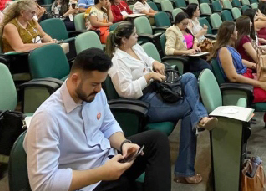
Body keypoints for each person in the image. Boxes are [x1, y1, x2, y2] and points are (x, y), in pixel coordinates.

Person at [25, 46, 171, 191]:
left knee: (157, 140)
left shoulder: (93, 92)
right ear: (75, 79)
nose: (100, 89)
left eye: (101, 83)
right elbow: (43, 184)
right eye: (94, 84)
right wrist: (101, 173)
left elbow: (108, 125)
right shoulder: (46, 118)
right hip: (89, 182)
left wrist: (123, 144)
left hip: (109, 161)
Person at [106, 22, 215, 184]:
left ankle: (199, 118)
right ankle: (185, 170)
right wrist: (147, 77)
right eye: (134, 34)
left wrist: (154, 63)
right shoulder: (117, 61)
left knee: (189, 77)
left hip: (158, 90)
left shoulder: (135, 48)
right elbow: (126, 91)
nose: (137, 36)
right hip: (144, 102)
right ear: (124, 39)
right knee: (188, 109)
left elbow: (147, 59)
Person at [213, 21, 266, 149]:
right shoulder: (223, 51)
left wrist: (256, 65)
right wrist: (260, 84)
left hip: (246, 80)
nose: (237, 32)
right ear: (230, 34)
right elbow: (233, 77)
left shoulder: (228, 48)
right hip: (242, 88)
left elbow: (240, 61)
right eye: (235, 30)